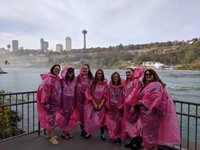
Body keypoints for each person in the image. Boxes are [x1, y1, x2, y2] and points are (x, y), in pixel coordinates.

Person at [138, 69, 181, 150]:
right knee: (151, 132)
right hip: (146, 113)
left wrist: (143, 102)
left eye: (150, 74)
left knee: (148, 131)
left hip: (152, 113)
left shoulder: (156, 84)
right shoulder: (147, 85)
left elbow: (157, 98)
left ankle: (146, 147)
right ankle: (153, 147)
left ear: (154, 75)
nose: (148, 76)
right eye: (146, 75)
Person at [36, 64, 61, 145]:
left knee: (51, 119)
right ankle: (52, 137)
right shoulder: (49, 79)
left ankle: (50, 134)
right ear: (52, 69)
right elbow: (45, 91)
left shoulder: (56, 78)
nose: (57, 70)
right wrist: (46, 103)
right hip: (50, 103)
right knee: (51, 120)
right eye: (56, 69)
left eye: (58, 69)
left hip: (54, 103)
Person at [84, 69, 108, 141]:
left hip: (101, 104)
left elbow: (106, 95)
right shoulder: (92, 83)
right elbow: (88, 93)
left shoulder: (105, 84)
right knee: (90, 118)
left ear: (102, 74)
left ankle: (102, 134)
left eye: (100, 73)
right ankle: (89, 132)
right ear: (96, 74)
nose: (99, 75)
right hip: (92, 104)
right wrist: (93, 103)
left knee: (102, 119)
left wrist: (101, 104)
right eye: (98, 73)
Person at [123, 67, 144, 149]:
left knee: (135, 124)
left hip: (133, 107)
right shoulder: (128, 82)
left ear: (133, 72)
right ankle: (133, 141)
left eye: (129, 72)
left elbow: (136, 94)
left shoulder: (137, 82)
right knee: (129, 124)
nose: (127, 74)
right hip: (127, 106)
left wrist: (133, 106)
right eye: (126, 73)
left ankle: (137, 143)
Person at [57, 66, 78, 140]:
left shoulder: (75, 80)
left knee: (70, 116)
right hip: (64, 102)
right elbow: (58, 90)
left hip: (72, 102)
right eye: (69, 72)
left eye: (71, 72)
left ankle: (67, 130)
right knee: (64, 116)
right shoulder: (62, 81)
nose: (70, 73)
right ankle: (63, 132)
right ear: (66, 72)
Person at [105, 72, 125, 146]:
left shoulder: (122, 88)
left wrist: (122, 107)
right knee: (112, 122)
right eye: (114, 77)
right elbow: (107, 97)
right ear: (112, 78)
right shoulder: (110, 87)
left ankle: (118, 138)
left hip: (119, 108)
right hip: (112, 108)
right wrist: (107, 106)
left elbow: (124, 98)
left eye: (117, 77)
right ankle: (113, 136)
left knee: (119, 123)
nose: (115, 78)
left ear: (119, 78)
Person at [76, 64, 93, 138]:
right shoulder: (78, 77)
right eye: (83, 69)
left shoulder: (91, 78)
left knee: (87, 115)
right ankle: (83, 130)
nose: (84, 70)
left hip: (88, 100)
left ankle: (88, 131)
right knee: (81, 115)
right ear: (81, 69)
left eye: (86, 69)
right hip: (79, 99)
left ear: (88, 69)